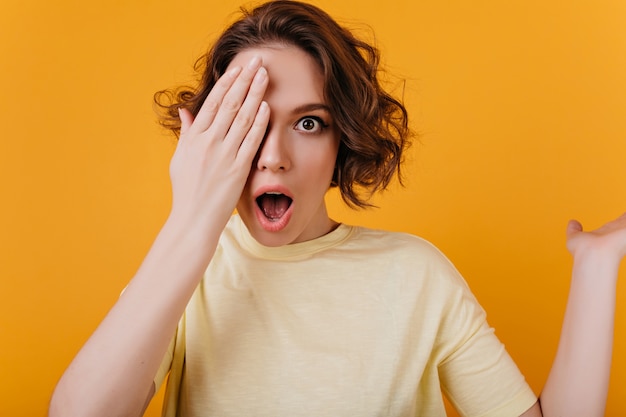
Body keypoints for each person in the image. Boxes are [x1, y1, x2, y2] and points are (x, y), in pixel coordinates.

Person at [49, 1, 626, 416]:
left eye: (307, 122)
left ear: (341, 141)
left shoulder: (414, 275)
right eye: (246, 123)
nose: (272, 157)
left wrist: (597, 266)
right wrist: (193, 218)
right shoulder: (184, 272)